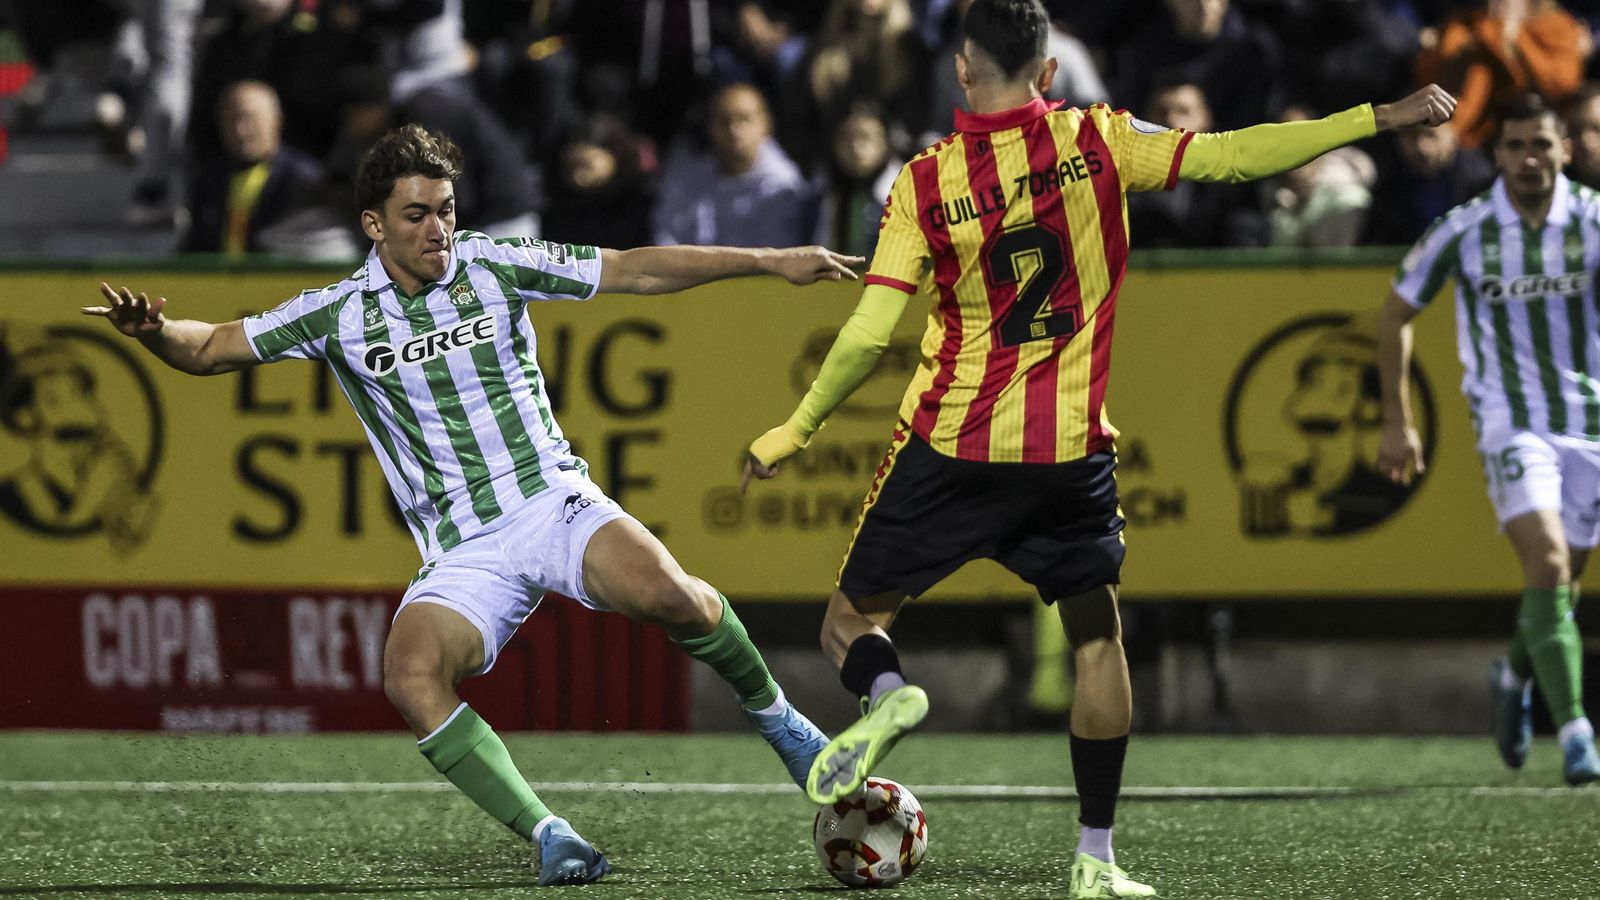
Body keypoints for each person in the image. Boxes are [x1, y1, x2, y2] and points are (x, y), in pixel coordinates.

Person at [740, 1, 1455, 896]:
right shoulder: (1101, 138)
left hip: (954, 442)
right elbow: (1236, 155)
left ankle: (888, 698)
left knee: (850, 621)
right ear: (1048, 74)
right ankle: (1095, 860)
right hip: (1069, 452)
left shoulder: (923, 181)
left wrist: (794, 430)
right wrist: (1373, 119)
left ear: (961, 70)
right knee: (1094, 637)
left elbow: (868, 336)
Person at [84, 123, 862, 887]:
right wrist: (152, 331)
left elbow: (633, 270)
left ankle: (783, 724)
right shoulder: (339, 313)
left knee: (673, 596)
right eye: (417, 214)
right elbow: (211, 346)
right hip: (463, 549)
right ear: (374, 224)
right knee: (409, 675)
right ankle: (554, 837)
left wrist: (768, 260)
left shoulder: (491, 263)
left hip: (548, 501)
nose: (439, 228)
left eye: (446, 209)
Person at [1378, 93, 1600, 787]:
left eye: (1541, 145)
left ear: (1565, 149)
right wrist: (1397, 417)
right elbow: (1393, 317)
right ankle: (1575, 732)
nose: (1529, 159)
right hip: (1511, 421)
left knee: (1557, 587)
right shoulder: (1465, 228)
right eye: (1514, 146)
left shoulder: (1594, 219)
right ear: (1495, 153)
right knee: (1549, 563)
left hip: (1591, 423)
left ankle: (1513, 675)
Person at [653, 83, 816, 248]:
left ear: (766, 124)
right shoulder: (686, 179)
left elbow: (780, 256)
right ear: (710, 127)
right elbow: (666, 242)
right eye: (724, 120)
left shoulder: (785, 187)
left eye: (744, 118)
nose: (734, 129)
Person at [182, 80, 322, 254]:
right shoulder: (208, 180)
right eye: (231, 119)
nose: (240, 130)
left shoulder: (304, 179)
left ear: (275, 121)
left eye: (250, 118)